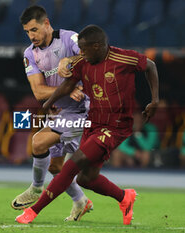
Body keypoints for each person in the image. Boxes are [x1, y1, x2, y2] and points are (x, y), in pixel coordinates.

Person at [16, 25, 159, 225]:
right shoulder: (84, 62)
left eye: (84, 49)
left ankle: (32, 212)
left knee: (70, 166)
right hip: (93, 123)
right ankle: (125, 197)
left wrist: (155, 100)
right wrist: (48, 103)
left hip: (115, 127)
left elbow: (150, 65)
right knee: (86, 179)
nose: (80, 53)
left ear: (98, 46)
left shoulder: (123, 58)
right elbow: (67, 85)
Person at [11, 5, 93, 221]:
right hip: (58, 111)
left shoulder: (69, 39)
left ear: (46, 23)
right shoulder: (30, 53)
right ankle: (81, 201)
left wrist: (70, 60)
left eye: (35, 29)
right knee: (56, 167)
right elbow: (38, 91)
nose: (31, 36)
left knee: (38, 142)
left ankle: (36, 188)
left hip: (81, 110)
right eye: (27, 32)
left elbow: (92, 56)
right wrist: (66, 90)